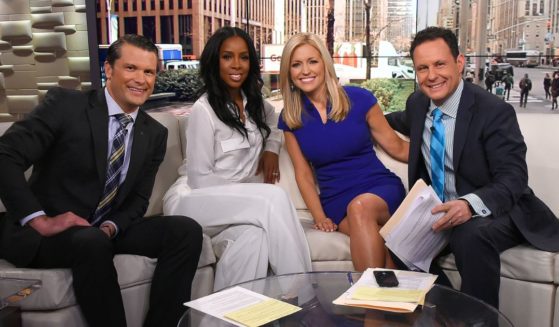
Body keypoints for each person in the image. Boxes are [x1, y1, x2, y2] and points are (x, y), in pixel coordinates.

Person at [0, 34, 203, 327]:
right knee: (90, 241)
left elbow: (138, 200)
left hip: (102, 232)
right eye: (131, 68)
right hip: (50, 237)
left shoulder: (154, 133)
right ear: (109, 69)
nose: (141, 79)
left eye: (149, 72)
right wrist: (41, 220)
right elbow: (5, 154)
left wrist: (111, 226)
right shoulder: (67, 105)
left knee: (185, 231)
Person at [386, 26, 559, 308]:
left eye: (440, 64)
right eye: (422, 68)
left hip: (498, 211)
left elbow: (514, 178)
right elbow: (388, 121)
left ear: (459, 62)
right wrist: (350, 113)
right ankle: (448, 314)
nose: (432, 75)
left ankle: (481, 322)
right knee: (398, 241)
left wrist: (468, 205)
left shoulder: (493, 111)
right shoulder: (418, 104)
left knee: (471, 235)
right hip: (442, 210)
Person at [163, 26, 312, 291]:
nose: (237, 65)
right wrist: (247, 197)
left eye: (243, 57)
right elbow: (199, 179)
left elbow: (275, 124)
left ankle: (224, 320)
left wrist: (271, 149)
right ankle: (303, 297)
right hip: (191, 201)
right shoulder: (204, 109)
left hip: (231, 207)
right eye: (227, 56)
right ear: (214, 61)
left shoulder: (254, 103)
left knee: (253, 240)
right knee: (273, 197)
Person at [277, 33, 408, 272]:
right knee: (379, 250)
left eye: (312, 61)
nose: (305, 70)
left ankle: (370, 308)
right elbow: (303, 175)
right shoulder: (290, 117)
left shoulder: (360, 99)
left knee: (360, 208)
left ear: (325, 64)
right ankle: (400, 306)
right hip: (337, 202)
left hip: (379, 190)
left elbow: (396, 146)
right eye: (296, 64)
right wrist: (319, 216)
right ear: (289, 72)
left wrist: (442, 157)